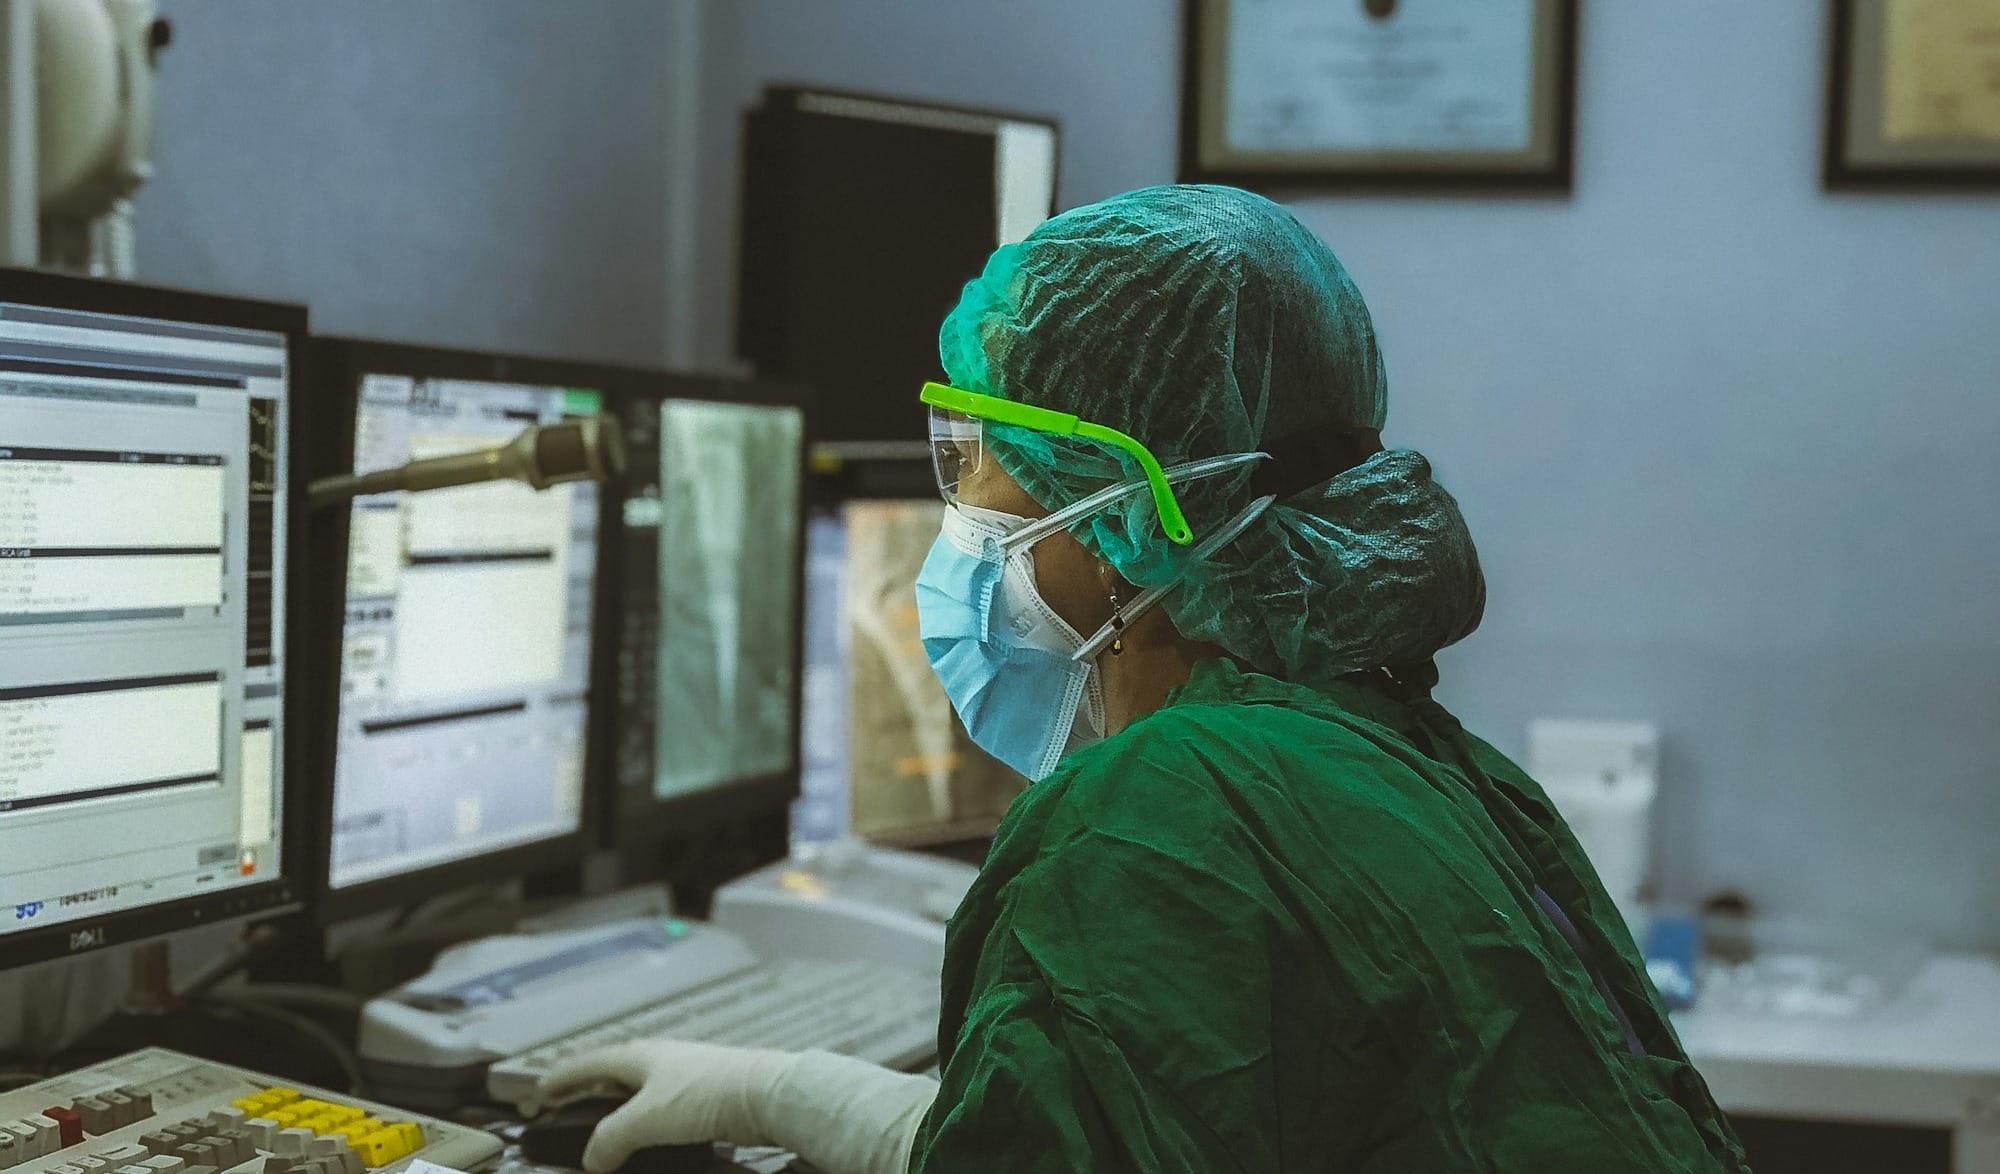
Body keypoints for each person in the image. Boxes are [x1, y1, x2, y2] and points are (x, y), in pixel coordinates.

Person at [542, 185, 1752, 1172]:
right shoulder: (1413, 762)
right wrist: (777, 1090)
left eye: (981, 456)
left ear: (1130, 502)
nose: (953, 509)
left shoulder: (1160, 816)